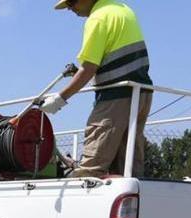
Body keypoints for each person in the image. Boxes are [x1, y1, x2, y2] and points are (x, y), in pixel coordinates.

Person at [40, 0, 153, 178]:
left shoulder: (97, 18)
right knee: (129, 166)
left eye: (71, 2)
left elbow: (88, 68)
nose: (70, 9)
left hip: (116, 97)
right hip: (141, 93)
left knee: (90, 170)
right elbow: (117, 60)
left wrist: (59, 99)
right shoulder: (123, 10)